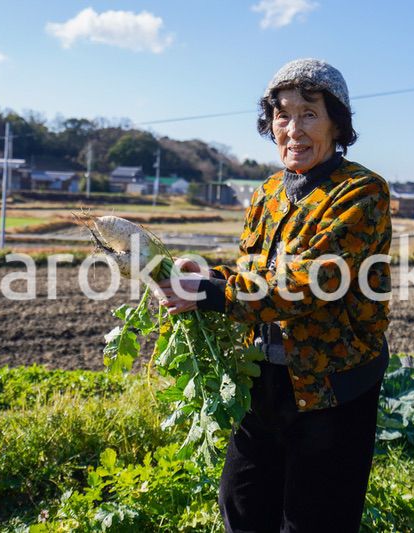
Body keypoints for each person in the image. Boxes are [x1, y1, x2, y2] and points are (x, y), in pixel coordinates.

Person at [154, 58, 392, 532]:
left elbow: (310, 281)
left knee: (313, 520)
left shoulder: (361, 192)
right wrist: (207, 273)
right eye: (282, 115)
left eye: (309, 113)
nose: (293, 129)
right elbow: (255, 270)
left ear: (337, 123)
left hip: (331, 386)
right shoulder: (267, 193)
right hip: (260, 379)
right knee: (241, 507)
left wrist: (210, 294)